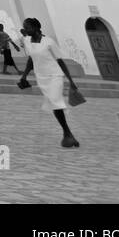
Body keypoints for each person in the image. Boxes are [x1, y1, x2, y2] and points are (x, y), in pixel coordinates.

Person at [18, 17, 82, 148]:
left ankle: (67, 133)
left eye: (27, 27)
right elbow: (31, 59)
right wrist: (24, 76)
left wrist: (70, 80)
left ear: (36, 28)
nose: (25, 29)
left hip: (55, 75)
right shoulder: (27, 41)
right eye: (25, 27)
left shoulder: (49, 42)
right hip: (41, 77)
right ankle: (68, 134)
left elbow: (60, 61)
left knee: (55, 100)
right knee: (54, 104)